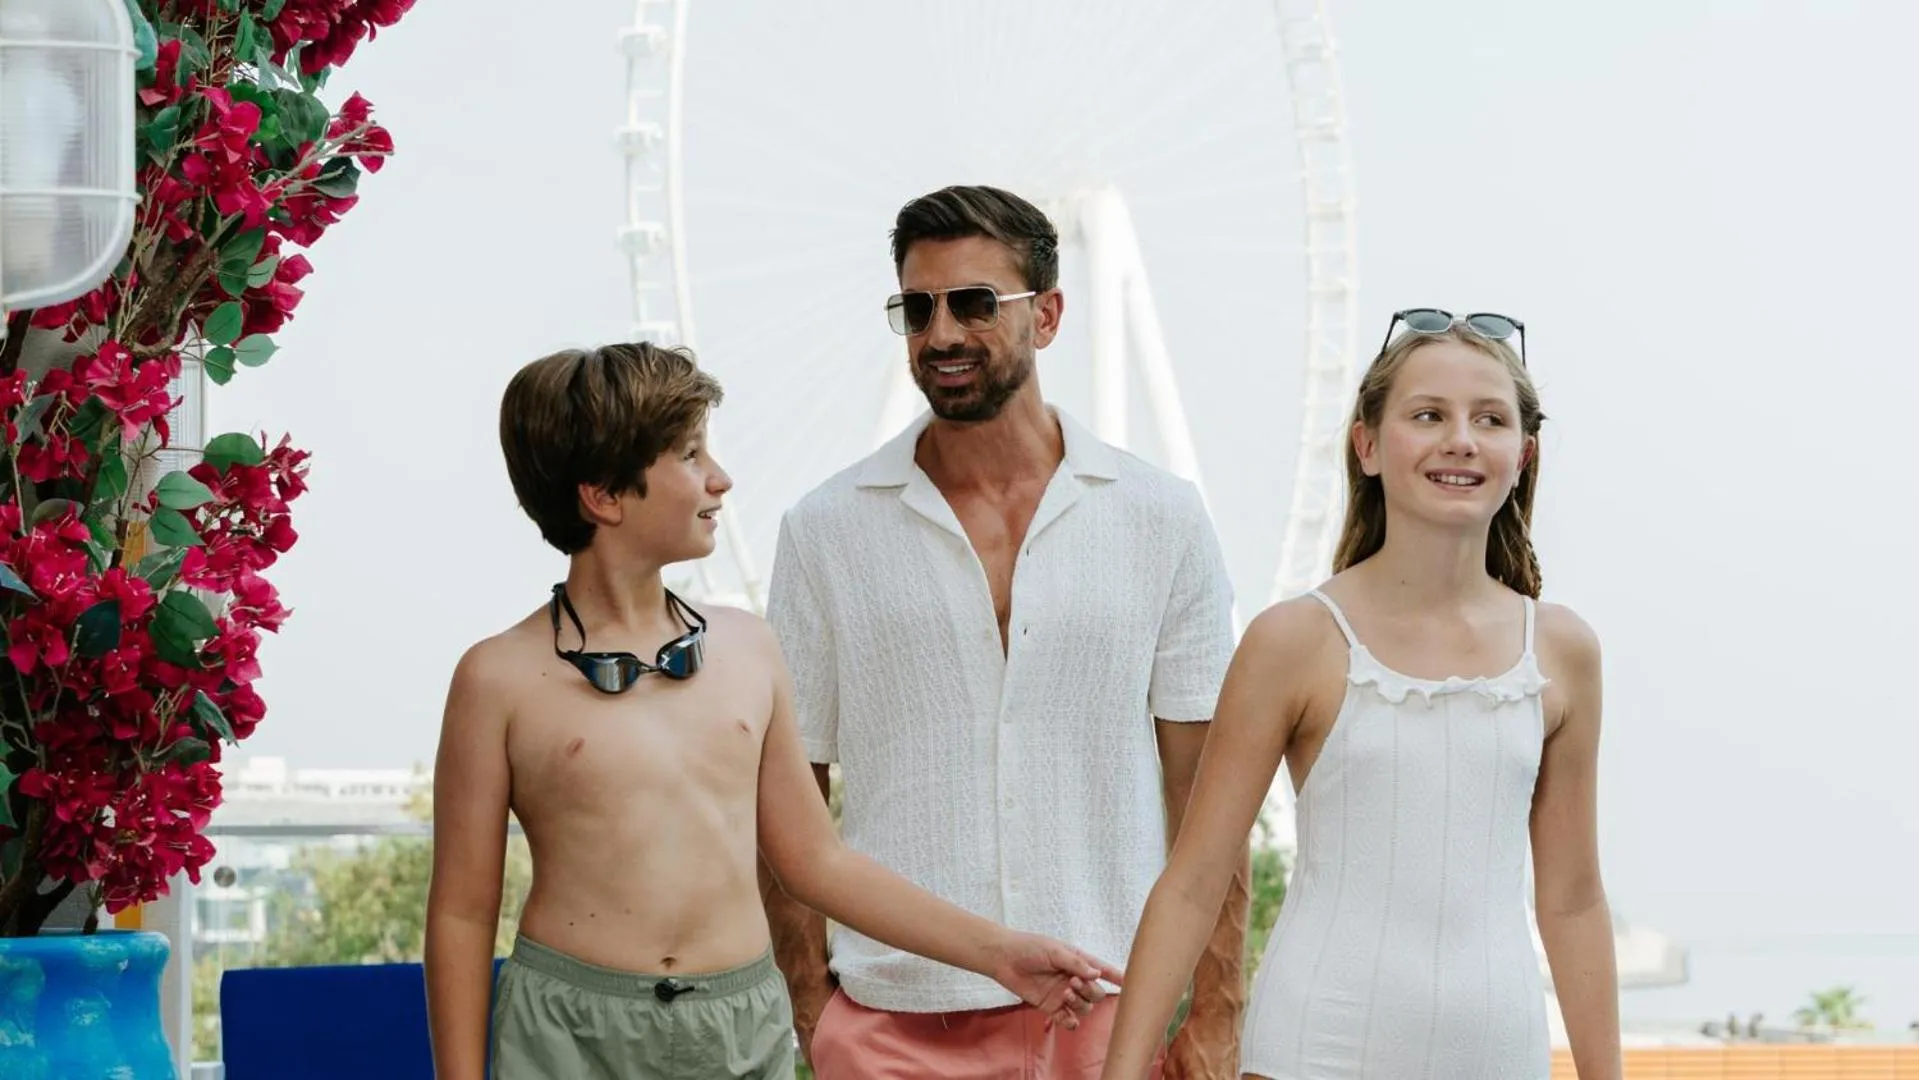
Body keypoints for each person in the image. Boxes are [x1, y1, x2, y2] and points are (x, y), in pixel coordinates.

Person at [423, 342, 1123, 1080]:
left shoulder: (748, 648)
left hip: (738, 1026)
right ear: (603, 495)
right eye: (690, 456)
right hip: (567, 1030)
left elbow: (815, 863)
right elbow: (462, 915)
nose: (720, 479)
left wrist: (999, 953)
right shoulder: (495, 678)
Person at [760, 185, 1248, 1080]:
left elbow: (1209, 795)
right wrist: (809, 1005)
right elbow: (787, 791)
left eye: (975, 303)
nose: (941, 332)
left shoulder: (1161, 519)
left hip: (1106, 1022)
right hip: (886, 1027)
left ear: (1049, 315)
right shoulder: (823, 531)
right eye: (917, 308)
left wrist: (1216, 1014)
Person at [1097, 310, 1625, 1080]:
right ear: (1367, 445)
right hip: (1314, 1053)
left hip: (1500, 1057)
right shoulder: (1294, 641)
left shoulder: (1562, 651)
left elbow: (1573, 901)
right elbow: (1192, 883)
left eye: (1489, 419)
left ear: (1524, 453)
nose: (1460, 440)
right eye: (1427, 416)